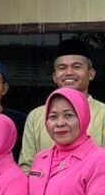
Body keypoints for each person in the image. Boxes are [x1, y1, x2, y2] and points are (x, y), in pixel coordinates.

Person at [19, 40, 105, 170]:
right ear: (54, 76)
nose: (69, 72)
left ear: (91, 74)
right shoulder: (36, 115)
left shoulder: (103, 113)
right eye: (62, 68)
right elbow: (26, 167)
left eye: (77, 67)